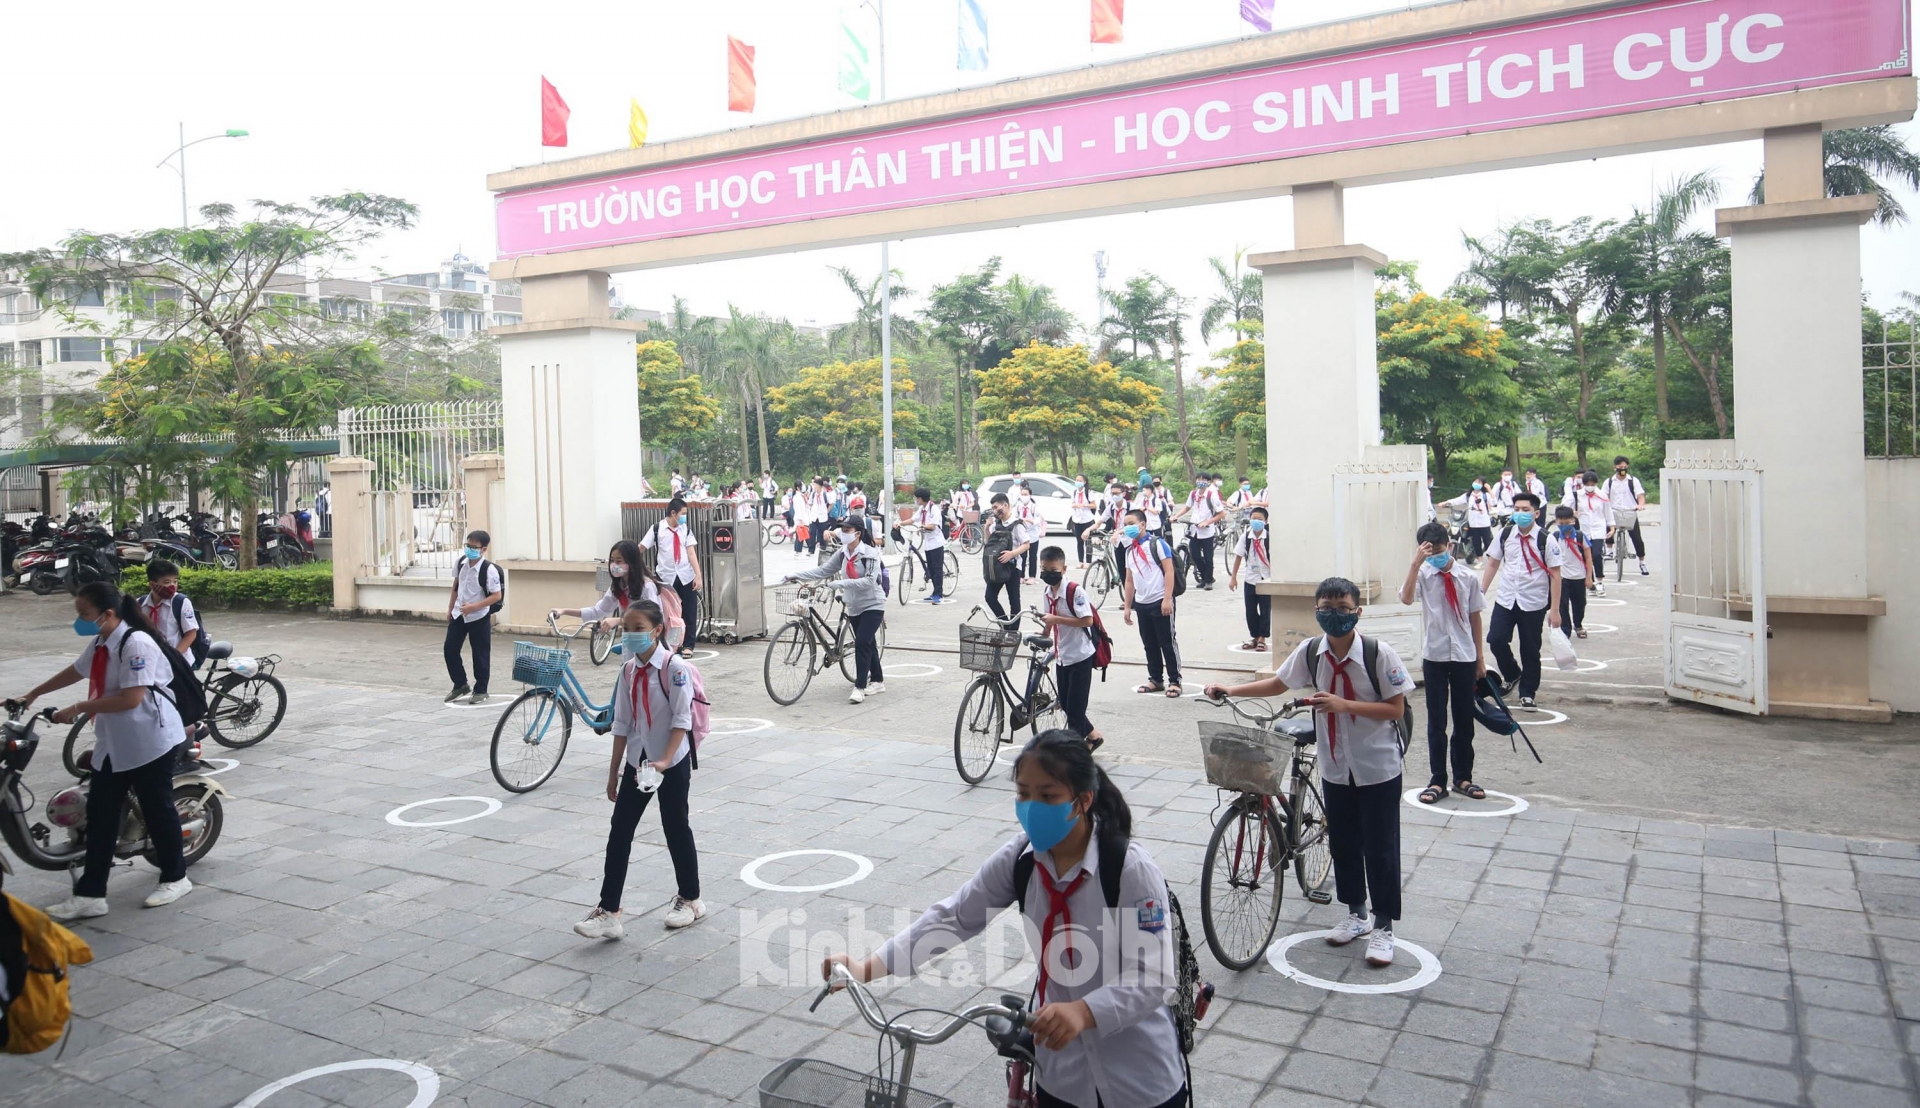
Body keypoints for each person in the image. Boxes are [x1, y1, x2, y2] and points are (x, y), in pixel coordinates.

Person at [823, 731, 1187, 1108]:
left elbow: (1153, 977)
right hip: (1063, 1079)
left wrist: (1084, 1011)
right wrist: (866, 968)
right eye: (1023, 795)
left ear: (1082, 800)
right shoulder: (1021, 860)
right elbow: (954, 917)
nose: (1032, 807)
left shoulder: (1128, 868)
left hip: (1139, 1079)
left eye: (1047, 796)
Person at [1204, 577, 1415, 967]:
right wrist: (1231, 690)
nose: (1334, 616)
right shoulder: (1312, 651)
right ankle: (1357, 914)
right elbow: (1278, 683)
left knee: (1381, 846)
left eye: (1343, 609)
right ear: (1316, 611)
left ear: (1357, 612)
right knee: (1344, 842)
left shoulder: (1378, 654)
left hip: (1376, 764)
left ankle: (1384, 926)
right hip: (1335, 764)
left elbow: (1395, 709)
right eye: (1326, 609)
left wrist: (1343, 704)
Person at [14, 583, 193, 920]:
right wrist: (33, 693)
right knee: (100, 817)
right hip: (115, 741)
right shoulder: (102, 640)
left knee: (157, 810)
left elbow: (131, 698)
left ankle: (175, 877)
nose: (81, 620)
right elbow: (77, 669)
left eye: (85, 614)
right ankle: (91, 894)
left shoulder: (135, 643)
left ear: (107, 614)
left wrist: (78, 706)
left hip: (149, 740)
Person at [572, 602, 706, 940]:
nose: (630, 635)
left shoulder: (674, 669)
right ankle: (610, 911)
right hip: (638, 761)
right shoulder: (629, 670)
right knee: (620, 830)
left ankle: (690, 899)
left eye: (637, 628)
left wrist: (664, 760)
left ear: (657, 630)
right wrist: (613, 769)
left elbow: (681, 719)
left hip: (671, 761)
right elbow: (622, 722)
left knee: (675, 826)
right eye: (627, 628)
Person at [1399, 522, 1489, 806]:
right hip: (1435, 656)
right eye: (1429, 552)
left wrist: (1479, 658)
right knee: (1437, 722)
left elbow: (1475, 616)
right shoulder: (1424, 575)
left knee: (1464, 718)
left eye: (1439, 550)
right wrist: (1415, 564)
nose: (1435, 556)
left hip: (1463, 656)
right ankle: (1437, 779)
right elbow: (1405, 598)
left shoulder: (1467, 577)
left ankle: (1463, 777)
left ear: (1449, 546)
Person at [781, 516, 889, 703]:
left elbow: (870, 580)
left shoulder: (869, 553)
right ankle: (878, 680)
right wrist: (795, 574)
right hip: (854, 605)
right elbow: (823, 571)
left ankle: (860, 687)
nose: (843, 534)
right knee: (867, 643)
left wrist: (841, 582)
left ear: (858, 533)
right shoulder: (842, 553)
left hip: (873, 603)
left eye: (847, 531)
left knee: (862, 642)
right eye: (842, 530)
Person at [1480, 492, 1563, 709]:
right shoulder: (1505, 534)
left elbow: (1555, 575)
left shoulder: (1547, 539)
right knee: (1495, 639)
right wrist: (1480, 593)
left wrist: (1555, 610)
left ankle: (1528, 691)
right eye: (1516, 509)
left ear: (1536, 513)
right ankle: (1512, 673)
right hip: (1506, 598)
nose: (1520, 513)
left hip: (1533, 601)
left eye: (1525, 510)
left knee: (1530, 649)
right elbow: (1492, 564)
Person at [1038, 546, 1104, 752]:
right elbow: (1049, 617)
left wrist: (1056, 619)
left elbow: (1087, 620)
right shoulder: (1048, 592)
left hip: (1080, 656)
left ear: (1064, 569)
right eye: (1044, 569)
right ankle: (1093, 736)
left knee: (1076, 709)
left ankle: (1075, 755)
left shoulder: (1075, 591)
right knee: (1065, 704)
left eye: (1053, 569)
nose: (1048, 573)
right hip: (1062, 656)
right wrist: (1044, 633)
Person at [1119, 509, 1182, 698]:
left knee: (1167, 642)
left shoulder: (1157, 544)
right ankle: (1155, 679)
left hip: (1160, 600)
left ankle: (1174, 680)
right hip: (1142, 603)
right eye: (1125, 524)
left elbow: (1169, 571)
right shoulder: (1129, 550)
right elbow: (1129, 580)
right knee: (1149, 642)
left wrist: (1167, 598)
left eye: (1131, 523)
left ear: (1143, 524)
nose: (1127, 527)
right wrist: (1128, 606)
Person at [444, 530, 503, 705]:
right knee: (450, 649)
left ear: (483, 549)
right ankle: (460, 684)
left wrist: (473, 607)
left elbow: (496, 596)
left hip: (478, 615)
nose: (469, 549)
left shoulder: (489, 570)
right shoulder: (461, 563)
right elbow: (456, 587)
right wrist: (450, 609)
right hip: (459, 613)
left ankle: (481, 689)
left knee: (480, 653)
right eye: (467, 545)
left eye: (474, 547)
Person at [639, 498, 703, 654]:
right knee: (668, 613)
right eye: (683, 514)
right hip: (665, 577)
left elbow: (691, 553)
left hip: (685, 575)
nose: (684, 517)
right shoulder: (657, 529)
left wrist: (698, 575)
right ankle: (672, 645)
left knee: (689, 611)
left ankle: (688, 645)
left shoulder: (685, 529)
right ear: (673, 513)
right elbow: (641, 546)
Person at [552, 540, 660, 631]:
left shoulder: (647, 587)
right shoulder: (619, 586)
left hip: (647, 641)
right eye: (612, 560)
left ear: (632, 562)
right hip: (629, 640)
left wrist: (618, 621)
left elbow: (653, 617)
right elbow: (598, 611)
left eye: (619, 561)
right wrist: (564, 611)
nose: (614, 565)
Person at [983, 493, 1038, 622]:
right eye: (993, 508)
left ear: (1006, 505)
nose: (995, 511)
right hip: (997, 567)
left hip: (1013, 567)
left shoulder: (1017, 524)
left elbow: (1026, 544)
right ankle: (1005, 624)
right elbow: (988, 543)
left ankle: (1012, 631)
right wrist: (986, 528)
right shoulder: (995, 524)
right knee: (990, 597)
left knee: (1014, 600)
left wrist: (1011, 554)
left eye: (997, 507)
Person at [1226, 506, 1272, 653]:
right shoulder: (1246, 537)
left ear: (1265, 521)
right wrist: (1233, 578)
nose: (1256, 522)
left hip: (1266, 579)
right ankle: (1255, 636)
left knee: (1265, 610)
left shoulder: (1270, 537)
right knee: (1250, 610)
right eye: (1253, 519)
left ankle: (1262, 638)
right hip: (1250, 579)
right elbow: (1239, 556)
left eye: (1259, 519)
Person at [139, 559, 201, 666]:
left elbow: (191, 633)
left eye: (175, 581)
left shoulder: (180, 602)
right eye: (166, 582)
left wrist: (173, 657)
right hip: (152, 661)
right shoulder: (140, 604)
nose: (172, 586)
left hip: (178, 662)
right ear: (152, 584)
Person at [1172, 473, 1225, 590]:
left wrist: (1207, 522)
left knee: (1208, 557)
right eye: (1199, 479)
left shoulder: (1211, 495)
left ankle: (1208, 580)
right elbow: (1187, 507)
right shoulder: (1193, 494)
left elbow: (1221, 513)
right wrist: (1175, 516)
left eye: (1204, 480)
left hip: (1207, 531)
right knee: (1195, 555)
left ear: (1208, 482)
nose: (1201, 481)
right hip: (1194, 530)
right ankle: (1205, 577)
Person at [1553, 505, 1594, 638]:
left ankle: (1578, 624)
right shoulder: (1554, 538)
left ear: (1573, 521)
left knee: (1580, 603)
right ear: (1556, 522)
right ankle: (1566, 629)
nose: (1564, 525)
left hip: (1579, 576)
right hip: (1562, 577)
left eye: (1567, 522)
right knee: (1562, 604)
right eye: (1561, 523)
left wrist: (1589, 577)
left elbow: (1588, 557)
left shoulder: (1581, 537)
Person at [1604, 455, 1649, 575]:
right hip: (1614, 510)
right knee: (1608, 526)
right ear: (1615, 468)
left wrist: (1640, 505)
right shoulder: (1609, 482)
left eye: (1624, 467)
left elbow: (1640, 495)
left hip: (1630, 511)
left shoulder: (1633, 481)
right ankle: (1609, 550)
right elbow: (1604, 497)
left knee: (1637, 538)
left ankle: (1642, 562)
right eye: (1620, 467)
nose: (1622, 469)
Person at [1572, 470, 1612, 596]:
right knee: (1585, 557)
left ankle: (1600, 581)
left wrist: (1612, 527)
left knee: (1596, 554)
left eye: (1592, 483)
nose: (1590, 486)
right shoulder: (1577, 495)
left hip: (1598, 528)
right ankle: (1591, 582)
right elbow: (1564, 508)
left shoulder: (1602, 495)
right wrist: (1572, 513)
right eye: (1587, 483)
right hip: (1583, 529)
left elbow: (1608, 512)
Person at [908, 487, 948, 604]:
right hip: (928, 543)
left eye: (916, 498)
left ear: (920, 499)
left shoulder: (933, 509)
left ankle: (938, 594)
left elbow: (933, 526)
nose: (915, 500)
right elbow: (913, 519)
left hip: (936, 542)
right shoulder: (922, 509)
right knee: (930, 568)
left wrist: (922, 526)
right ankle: (934, 592)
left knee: (937, 569)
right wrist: (899, 523)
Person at [1444, 478, 1495, 562]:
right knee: (1476, 541)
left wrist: (1489, 489)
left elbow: (1494, 502)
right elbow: (1457, 500)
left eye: (1479, 482)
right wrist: (1445, 503)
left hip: (1484, 522)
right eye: (1475, 482)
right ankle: (1479, 558)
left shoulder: (1485, 495)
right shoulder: (1468, 495)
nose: (1476, 484)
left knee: (1487, 541)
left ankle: (1491, 558)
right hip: (1473, 522)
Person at [1068, 475, 1098, 568]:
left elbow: (1094, 505)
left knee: (1088, 541)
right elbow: (1072, 503)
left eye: (1080, 480)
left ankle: (1088, 561)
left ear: (1084, 482)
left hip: (1087, 519)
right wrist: (1075, 505)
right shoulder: (1075, 492)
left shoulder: (1088, 492)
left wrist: (1085, 505)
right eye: (1076, 480)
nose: (1078, 482)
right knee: (1079, 541)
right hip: (1077, 519)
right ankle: (1080, 561)